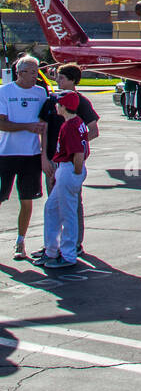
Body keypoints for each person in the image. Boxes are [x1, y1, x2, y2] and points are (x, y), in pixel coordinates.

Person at [39, 62, 99, 255]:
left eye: (62, 77)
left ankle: (74, 243)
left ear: (73, 81)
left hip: (70, 161)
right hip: (52, 158)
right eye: (57, 76)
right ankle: (53, 245)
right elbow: (44, 129)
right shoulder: (51, 101)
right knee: (53, 206)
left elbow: (93, 130)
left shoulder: (80, 102)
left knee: (72, 204)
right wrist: (45, 158)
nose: (58, 80)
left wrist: (75, 149)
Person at [0, 55, 47, 260]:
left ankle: (20, 241)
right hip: (6, 154)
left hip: (31, 155)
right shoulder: (4, 92)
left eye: (37, 71)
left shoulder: (40, 93)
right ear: (20, 73)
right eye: (32, 72)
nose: (36, 76)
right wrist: (27, 126)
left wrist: (45, 155)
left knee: (26, 200)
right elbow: (2, 124)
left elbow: (45, 125)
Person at [39, 91, 89, 269]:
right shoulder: (74, 122)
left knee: (67, 214)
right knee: (51, 208)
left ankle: (68, 255)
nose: (56, 106)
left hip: (69, 169)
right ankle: (52, 250)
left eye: (59, 104)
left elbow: (78, 154)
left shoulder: (70, 126)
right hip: (65, 169)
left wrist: (75, 175)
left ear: (64, 106)